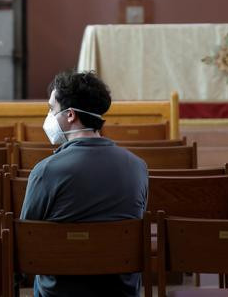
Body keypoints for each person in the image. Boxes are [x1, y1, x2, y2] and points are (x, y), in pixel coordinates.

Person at [20, 71, 149, 297]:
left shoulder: (46, 170)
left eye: (51, 109)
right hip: (119, 291)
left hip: (60, 291)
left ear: (70, 115)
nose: (49, 116)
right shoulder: (138, 167)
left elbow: (28, 239)